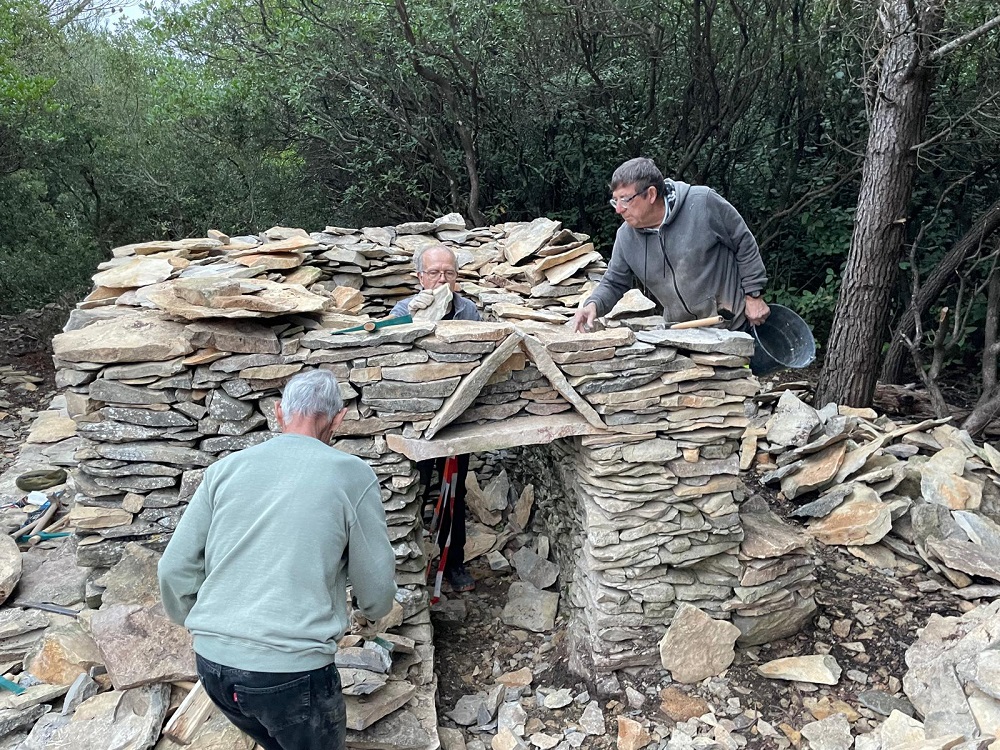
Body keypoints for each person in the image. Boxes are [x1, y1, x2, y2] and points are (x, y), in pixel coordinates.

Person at [158, 369, 397, 750]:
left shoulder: (224, 470)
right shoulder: (352, 475)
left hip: (212, 665)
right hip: (292, 672)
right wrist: (375, 610)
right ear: (338, 418)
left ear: (279, 412)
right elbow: (378, 587)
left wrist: (205, 624)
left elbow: (173, 568)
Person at [572, 157, 770, 333]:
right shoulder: (626, 237)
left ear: (650, 194)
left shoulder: (703, 203)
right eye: (615, 201)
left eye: (625, 199)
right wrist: (593, 305)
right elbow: (614, 281)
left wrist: (754, 296)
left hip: (734, 326)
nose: (619, 210)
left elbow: (743, 242)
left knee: (745, 375)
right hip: (682, 333)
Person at [390, 244, 477, 593]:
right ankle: (411, 566)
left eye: (449, 273)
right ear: (419, 277)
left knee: (454, 492)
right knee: (414, 490)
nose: (442, 280)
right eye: (434, 273)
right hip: (415, 426)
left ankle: (453, 562)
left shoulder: (467, 310)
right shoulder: (403, 310)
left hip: (457, 419)